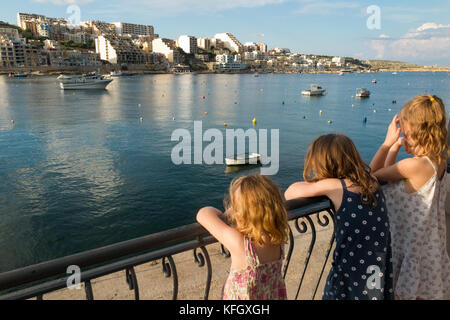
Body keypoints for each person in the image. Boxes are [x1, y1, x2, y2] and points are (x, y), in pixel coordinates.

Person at [285, 134, 394, 300]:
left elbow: (290, 192)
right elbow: (370, 170)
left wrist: (320, 184)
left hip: (350, 274)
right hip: (376, 270)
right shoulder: (371, 181)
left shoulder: (336, 186)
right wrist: (386, 144)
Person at [370, 94, 450, 300]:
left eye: (405, 134)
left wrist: (388, 144)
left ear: (417, 132)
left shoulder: (412, 166)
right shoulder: (438, 161)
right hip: (428, 249)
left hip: (408, 251)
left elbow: (371, 176)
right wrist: (398, 146)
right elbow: (388, 173)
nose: (403, 137)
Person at [196, 174, 289, 300]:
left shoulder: (240, 243)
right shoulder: (276, 238)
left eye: (236, 207)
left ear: (241, 214)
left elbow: (203, 214)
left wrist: (223, 214)